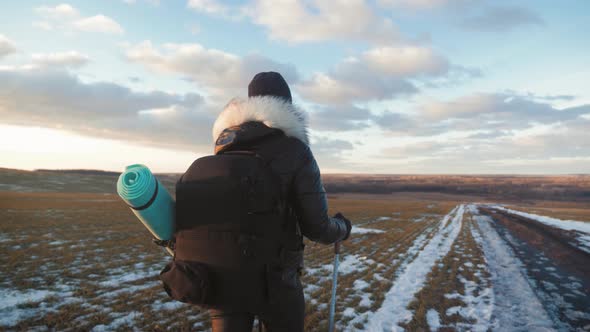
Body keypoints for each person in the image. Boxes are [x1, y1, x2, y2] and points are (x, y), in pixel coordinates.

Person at [175, 71, 352, 331]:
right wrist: (343, 228)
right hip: (275, 281)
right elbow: (317, 227)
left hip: (219, 278)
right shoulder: (295, 150)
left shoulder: (223, 149)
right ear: (287, 106)